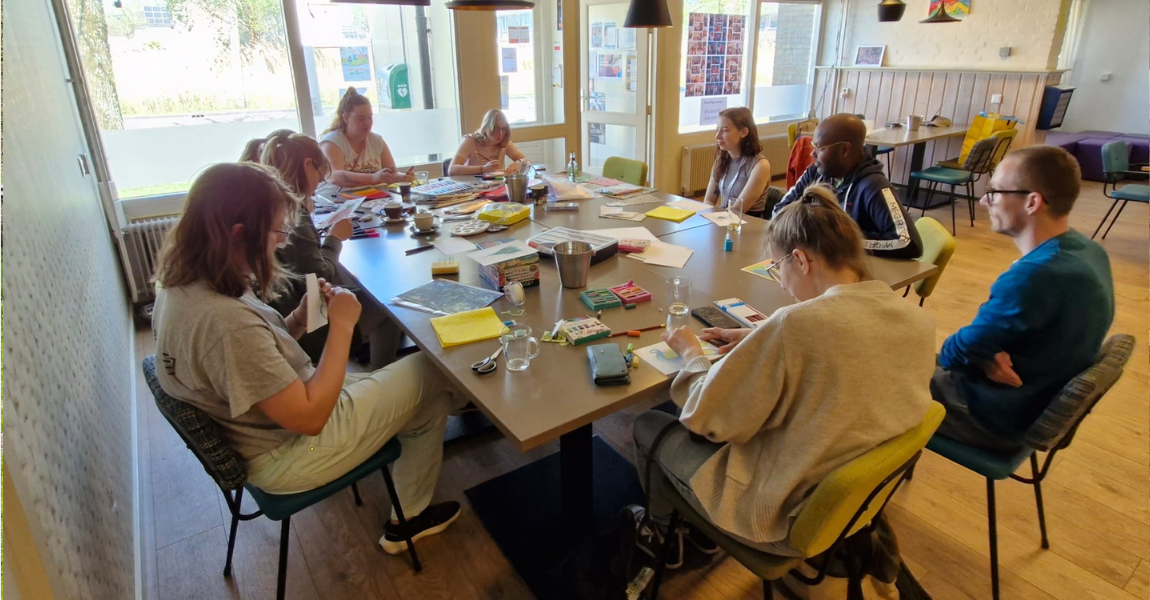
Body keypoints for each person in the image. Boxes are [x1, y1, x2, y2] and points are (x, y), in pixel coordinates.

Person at [152, 162, 461, 554]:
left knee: (427, 397)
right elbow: (311, 418)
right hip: (290, 451)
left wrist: (297, 321)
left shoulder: (186, 284)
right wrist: (344, 325)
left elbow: (256, 356)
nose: (280, 243)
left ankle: (408, 520)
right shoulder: (224, 323)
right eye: (277, 231)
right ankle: (479, 414)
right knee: (429, 365)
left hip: (277, 415)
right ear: (238, 234)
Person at [632, 184, 935, 567]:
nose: (783, 284)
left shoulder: (797, 325)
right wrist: (762, 335)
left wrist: (693, 353)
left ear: (801, 260)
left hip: (778, 513)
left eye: (777, 269)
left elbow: (710, 420)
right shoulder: (917, 321)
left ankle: (665, 537)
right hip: (854, 502)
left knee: (648, 423)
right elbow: (842, 345)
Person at [931, 146, 1114, 451]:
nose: (984, 200)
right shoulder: (1087, 250)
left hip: (992, 415)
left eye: (995, 191)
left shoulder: (1037, 275)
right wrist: (983, 355)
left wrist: (976, 354)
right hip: (1032, 397)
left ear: (1032, 202)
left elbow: (953, 352)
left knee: (870, 375)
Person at [260, 131, 402, 369]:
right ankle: (381, 373)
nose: (319, 183)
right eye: (319, 174)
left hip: (287, 308)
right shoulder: (292, 215)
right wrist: (335, 238)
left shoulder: (271, 205)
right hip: (309, 319)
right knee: (388, 301)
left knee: (363, 285)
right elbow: (322, 276)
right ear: (308, 165)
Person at [773, 113, 923, 259]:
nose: (813, 154)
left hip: (857, 274)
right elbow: (780, 211)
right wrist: (812, 231)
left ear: (845, 149)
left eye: (820, 148)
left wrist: (840, 241)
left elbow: (907, 242)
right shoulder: (815, 173)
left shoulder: (873, 186)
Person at [320, 87, 413, 190]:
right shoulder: (332, 142)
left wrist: (403, 177)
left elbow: (392, 173)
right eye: (361, 119)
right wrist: (373, 178)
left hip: (374, 198)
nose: (367, 123)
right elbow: (335, 176)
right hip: (339, 201)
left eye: (370, 118)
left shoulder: (377, 141)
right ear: (346, 118)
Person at [702, 107, 774, 219]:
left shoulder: (760, 166)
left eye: (725, 130)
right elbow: (709, 200)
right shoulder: (721, 160)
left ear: (743, 132)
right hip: (723, 219)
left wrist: (715, 219)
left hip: (746, 224)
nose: (717, 136)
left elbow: (739, 209)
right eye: (717, 130)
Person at [447, 109, 528, 176]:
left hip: (495, 186)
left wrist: (518, 163)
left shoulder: (504, 142)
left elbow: (526, 160)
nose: (500, 134)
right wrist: (483, 169)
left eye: (503, 129)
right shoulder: (470, 141)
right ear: (486, 128)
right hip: (473, 186)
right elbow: (452, 170)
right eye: (496, 129)